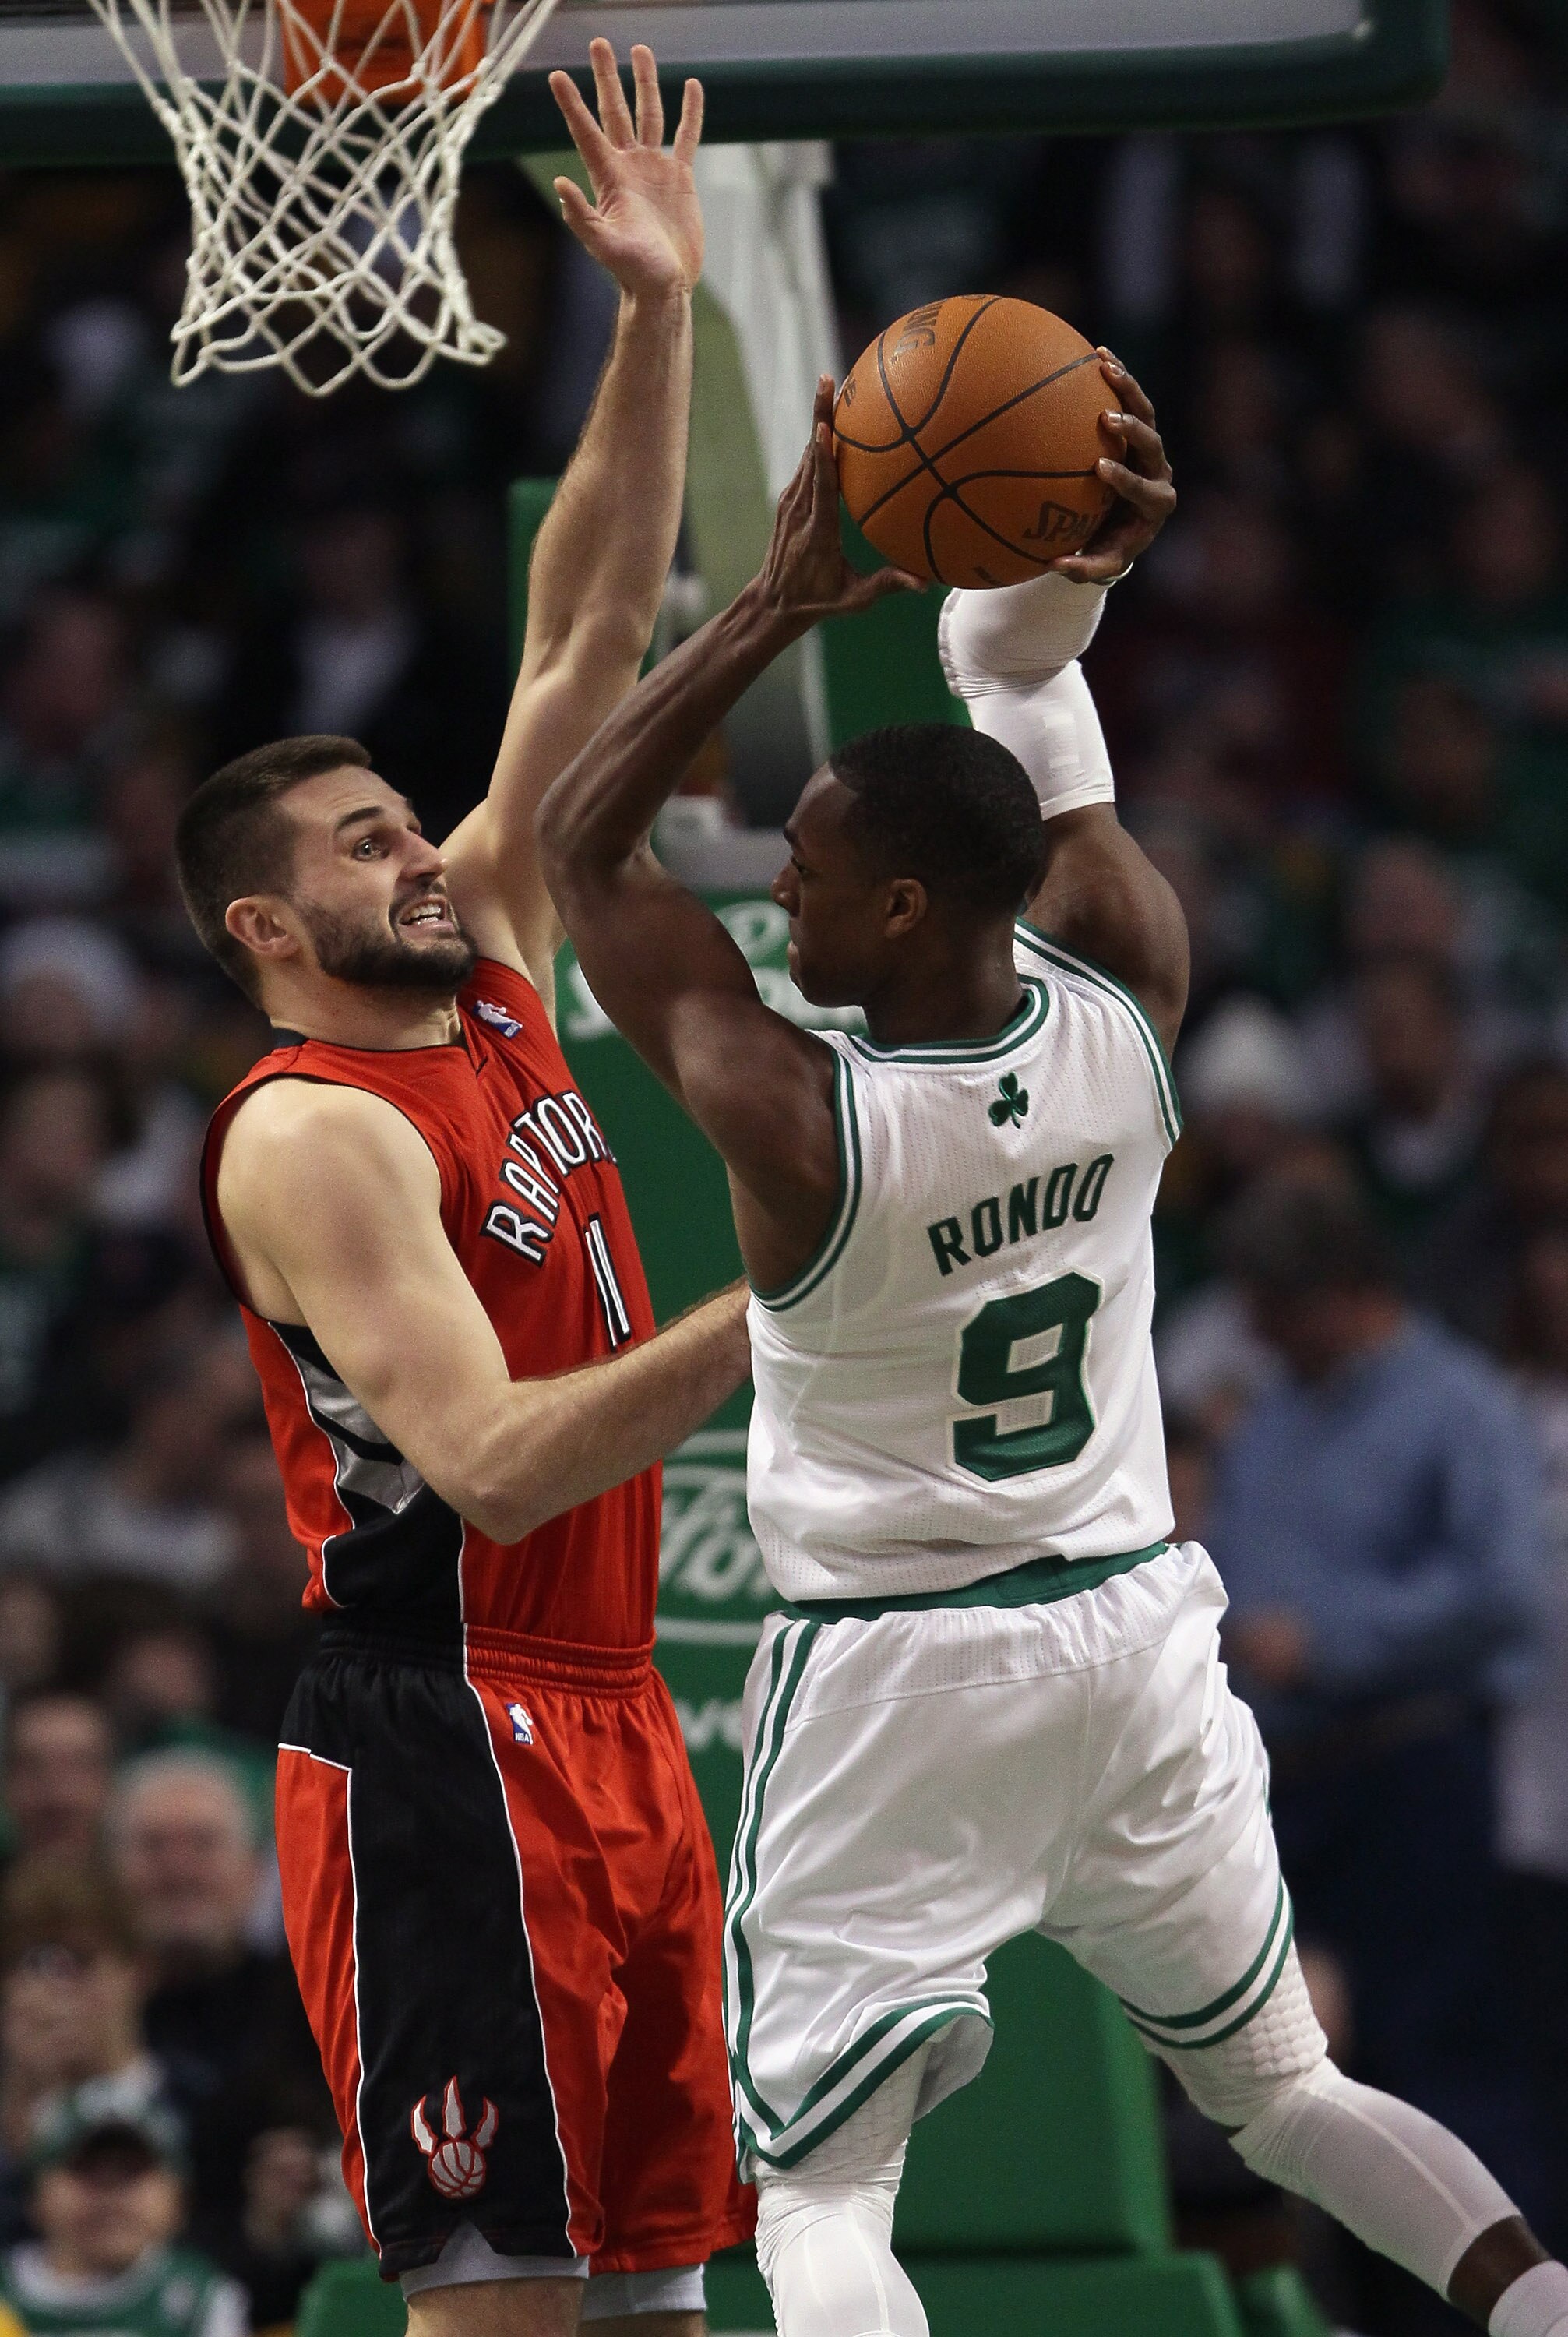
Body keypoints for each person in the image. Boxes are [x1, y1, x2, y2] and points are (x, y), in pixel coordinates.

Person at [537, 369, 1568, 2337]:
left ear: (902, 905)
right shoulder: (1135, 1001)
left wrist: (772, 603)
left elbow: (592, 857)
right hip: (1129, 1631)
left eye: (815, 877)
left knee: (822, 2185)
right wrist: (1057, 601)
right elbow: (1047, 764)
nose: (787, 897)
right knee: (1280, 2090)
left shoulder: (798, 1116)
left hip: (896, 1666)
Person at [172, 42, 752, 2337]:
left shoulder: (489, 962)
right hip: (441, 1730)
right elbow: (494, 1460)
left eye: (413, 823)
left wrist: (660, 315)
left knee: (657, 2304)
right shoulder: (311, 1127)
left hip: (609, 1711)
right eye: (360, 846)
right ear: (263, 926)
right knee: (504, 2313)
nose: (421, 851)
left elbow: (576, 637)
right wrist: (783, 1292)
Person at [1207, 1179, 1542, 2223]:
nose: (1260, 1333)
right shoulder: (1272, 1412)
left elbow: (1507, 1592)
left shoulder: (1458, 1404)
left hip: (1411, 1774)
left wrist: (1332, 1638)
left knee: (1431, 2063)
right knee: (1302, 2084)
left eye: (1278, 1309)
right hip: (1289, 1788)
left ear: (1347, 1291)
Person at [0, 2092, 245, 2337]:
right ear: (35, 2193)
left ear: (178, 2196)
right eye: (86, 2169)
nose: (111, 2193)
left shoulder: (200, 2297)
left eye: (132, 2171)